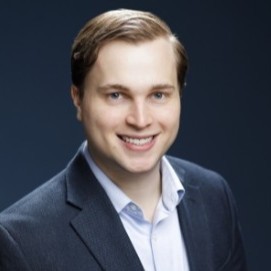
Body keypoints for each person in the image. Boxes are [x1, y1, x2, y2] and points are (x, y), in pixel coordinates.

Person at [0, 9, 247, 271]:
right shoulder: (21, 242)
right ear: (78, 99)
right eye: (116, 95)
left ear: (179, 96)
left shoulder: (214, 197)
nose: (140, 120)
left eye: (158, 95)